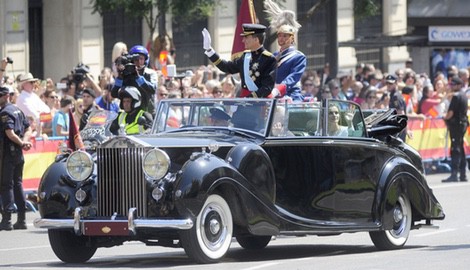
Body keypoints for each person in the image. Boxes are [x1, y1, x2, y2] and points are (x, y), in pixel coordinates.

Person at [202, 23, 276, 98]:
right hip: (244, 99)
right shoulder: (245, 56)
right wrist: (209, 50)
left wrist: (249, 98)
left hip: (259, 103)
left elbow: (267, 87)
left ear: (256, 39)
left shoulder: (269, 59)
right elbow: (226, 67)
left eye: (246, 37)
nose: (243, 40)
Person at [0, 86, 32, 231]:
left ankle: (6, 220)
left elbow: (10, 133)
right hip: (18, 154)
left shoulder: (5, 112)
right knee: (18, 184)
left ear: (5, 96)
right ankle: (22, 219)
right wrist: (24, 142)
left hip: (8, 154)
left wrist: (21, 142)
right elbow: (29, 128)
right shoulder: (17, 110)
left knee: (7, 185)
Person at [264, 0, 306, 101]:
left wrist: (277, 90)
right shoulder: (274, 55)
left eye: (285, 36)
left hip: (291, 94)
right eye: (280, 36)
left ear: (292, 38)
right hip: (273, 95)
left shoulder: (298, 57)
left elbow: (292, 78)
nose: (281, 38)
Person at [111, 45, 158, 115]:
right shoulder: (126, 74)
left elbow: (152, 89)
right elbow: (114, 94)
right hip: (130, 113)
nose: (138, 62)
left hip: (147, 112)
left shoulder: (150, 73)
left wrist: (137, 77)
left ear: (145, 60)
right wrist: (120, 77)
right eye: (136, 59)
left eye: (141, 59)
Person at [442, 77, 469, 182]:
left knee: (455, 149)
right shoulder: (464, 96)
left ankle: (454, 174)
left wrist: (445, 117)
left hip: (456, 125)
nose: (452, 87)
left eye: (454, 85)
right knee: (460, 148)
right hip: (462, 124)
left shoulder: (456, 97)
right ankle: (463, 174)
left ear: (459, 85)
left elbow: (450, 114)